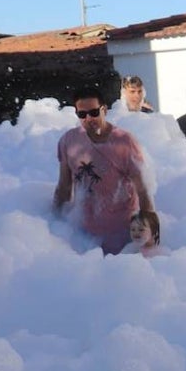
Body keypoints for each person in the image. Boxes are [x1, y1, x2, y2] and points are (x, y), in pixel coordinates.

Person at [53, 86, 155, 255]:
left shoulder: (124, 142)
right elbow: (64, 187)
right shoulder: (69, 141)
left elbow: (143, 190)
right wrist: (52, 222)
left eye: (93, 112)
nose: (88, 118)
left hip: (122, 235)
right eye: (82, 114)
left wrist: (150, 235)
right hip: (85, 237)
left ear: (104, 110)